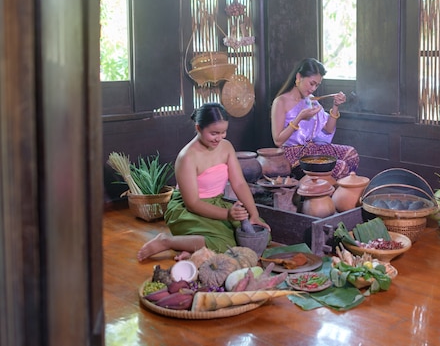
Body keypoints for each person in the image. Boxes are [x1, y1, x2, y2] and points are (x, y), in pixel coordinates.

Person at [137, 103, 270, 261]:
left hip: (216, 203)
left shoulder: (226, 147)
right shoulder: (187, 157)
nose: (219, 138)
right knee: (225, 243)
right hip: (188, 209)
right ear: (199, 128)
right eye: (214, 133)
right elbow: (192, 203)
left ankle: (191, 248)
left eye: (223, 132)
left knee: (259, 234)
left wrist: (254, 214)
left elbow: (239, 183)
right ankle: (167, 242)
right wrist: (227, 214)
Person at [271, 57, 359, 180]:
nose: (313, 89)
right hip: (292, 154)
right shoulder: (281, 102)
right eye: (311, 83)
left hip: (312, 149)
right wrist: (299, 117)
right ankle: (333, 196)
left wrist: (335, 105)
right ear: (298, 77)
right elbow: (278, 141)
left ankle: (338, 193)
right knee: (340, 167)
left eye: (317, 85)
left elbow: (328, 129)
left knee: (351, 154)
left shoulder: (311, 100)